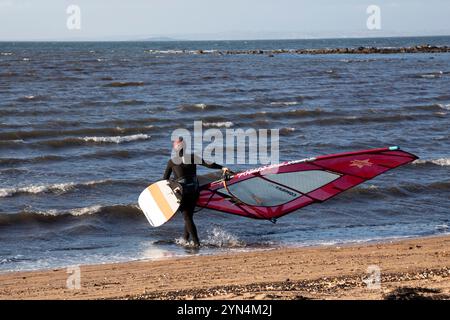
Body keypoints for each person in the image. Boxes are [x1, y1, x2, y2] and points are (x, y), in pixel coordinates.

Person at [163, 137, 227, 247]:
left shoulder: (172, 162)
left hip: (182, 194)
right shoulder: (193, 157)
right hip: (194, 191)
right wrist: (222, 168)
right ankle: (185, 239)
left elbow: (164, 180)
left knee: (187, 217)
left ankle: (196, 242)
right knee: (189, 217)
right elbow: (209, 164)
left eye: (174, 144)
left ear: (176, 148)